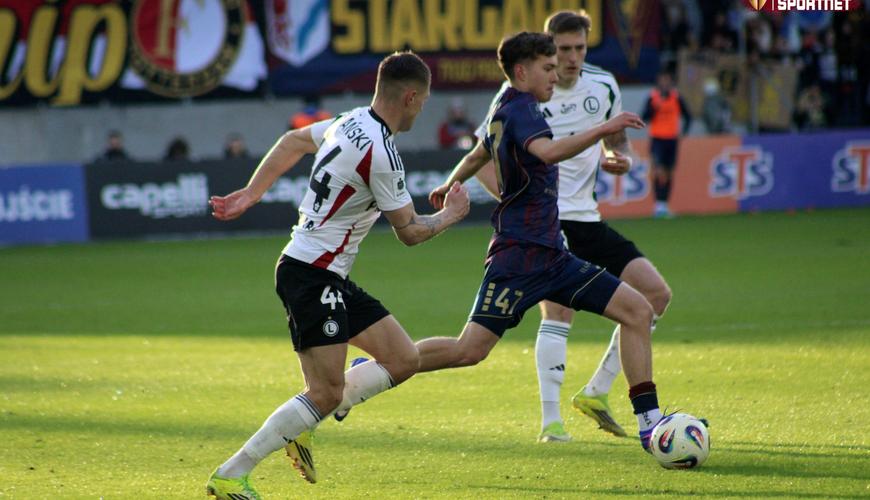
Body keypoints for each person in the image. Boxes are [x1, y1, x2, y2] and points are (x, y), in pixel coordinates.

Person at [205, 51, 470, 499]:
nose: (421, 111)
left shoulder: (348, 121)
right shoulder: (382, 152)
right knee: (325, 392)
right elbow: (409, 232)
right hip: (312, 275)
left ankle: (305, 422)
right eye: (423, 102)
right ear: (410, 97)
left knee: (403, 359)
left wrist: (251, 193)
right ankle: (232, 473)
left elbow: (292, 141)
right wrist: (450, 215)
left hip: (325, 273)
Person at [419, 32, 666, 457]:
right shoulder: (523, 109)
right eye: (548, 67)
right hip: (519, 256)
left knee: (639, 310)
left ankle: (650, 424)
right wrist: (604, 128)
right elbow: (548, 153)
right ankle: (386, 365)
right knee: (470, 350)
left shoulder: (506, 106)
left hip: (553, 254)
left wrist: (449, 181)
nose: (557, 74)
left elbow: (478, 154)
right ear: (522, 71)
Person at [641, 71, 691, 218]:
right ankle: (658, 205)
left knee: (669, 173)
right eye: (662, 80)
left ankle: (664, 204)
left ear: (671, 82)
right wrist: (654, 108)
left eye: (667, 80)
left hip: (672, 139)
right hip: (657, 139)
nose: (665, 83)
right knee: (658, 171)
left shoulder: (676, 97)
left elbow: (688, 116)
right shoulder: (653, 97)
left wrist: (684, 132)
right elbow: (644, 117)